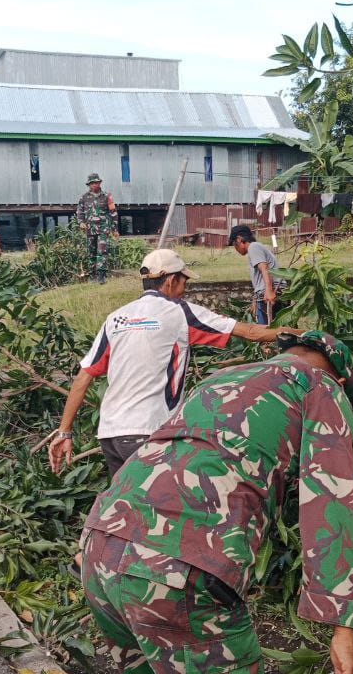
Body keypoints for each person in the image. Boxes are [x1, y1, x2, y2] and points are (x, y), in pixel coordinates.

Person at [79, 330, 353, 674]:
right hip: (175, 567)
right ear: (339, 374)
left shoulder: (223, 377)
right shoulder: (321, 387)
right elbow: (331, 500)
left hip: (102, 546)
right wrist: (343, 624)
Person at [49, 248, 289, 480]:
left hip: (111, 435)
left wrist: (64, 432)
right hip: (148, 432)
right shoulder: (179, 312)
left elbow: (83, 377)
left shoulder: (116, 318)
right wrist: (302, 334)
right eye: (184, 282)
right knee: (165, 503)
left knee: (127, 505)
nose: (185, 290)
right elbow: (251, 332)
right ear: (172, 280)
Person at [228, 224, 279, 325]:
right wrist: (255, 300)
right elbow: (260, 278)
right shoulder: (256, 248)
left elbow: (265, 268)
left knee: (265, 332)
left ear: (239, 239)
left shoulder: (253, 247)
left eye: (234, 244)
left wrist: (269, 291)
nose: (235, 248)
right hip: (266, 294)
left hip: (269, 295)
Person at [76, 173, 118, 284]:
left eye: (96, 182)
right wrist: (81, 222)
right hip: (90, 229)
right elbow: (79, 211)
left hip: (103, 228)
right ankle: (92, 276)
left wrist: (115, 229)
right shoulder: (84, 197)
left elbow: (113, 213)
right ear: (89, 185)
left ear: (100, 183)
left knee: (102, 251)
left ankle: (101, 276)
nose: (94, 185)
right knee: (91, 252)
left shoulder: (107, 196)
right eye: (92, 183)